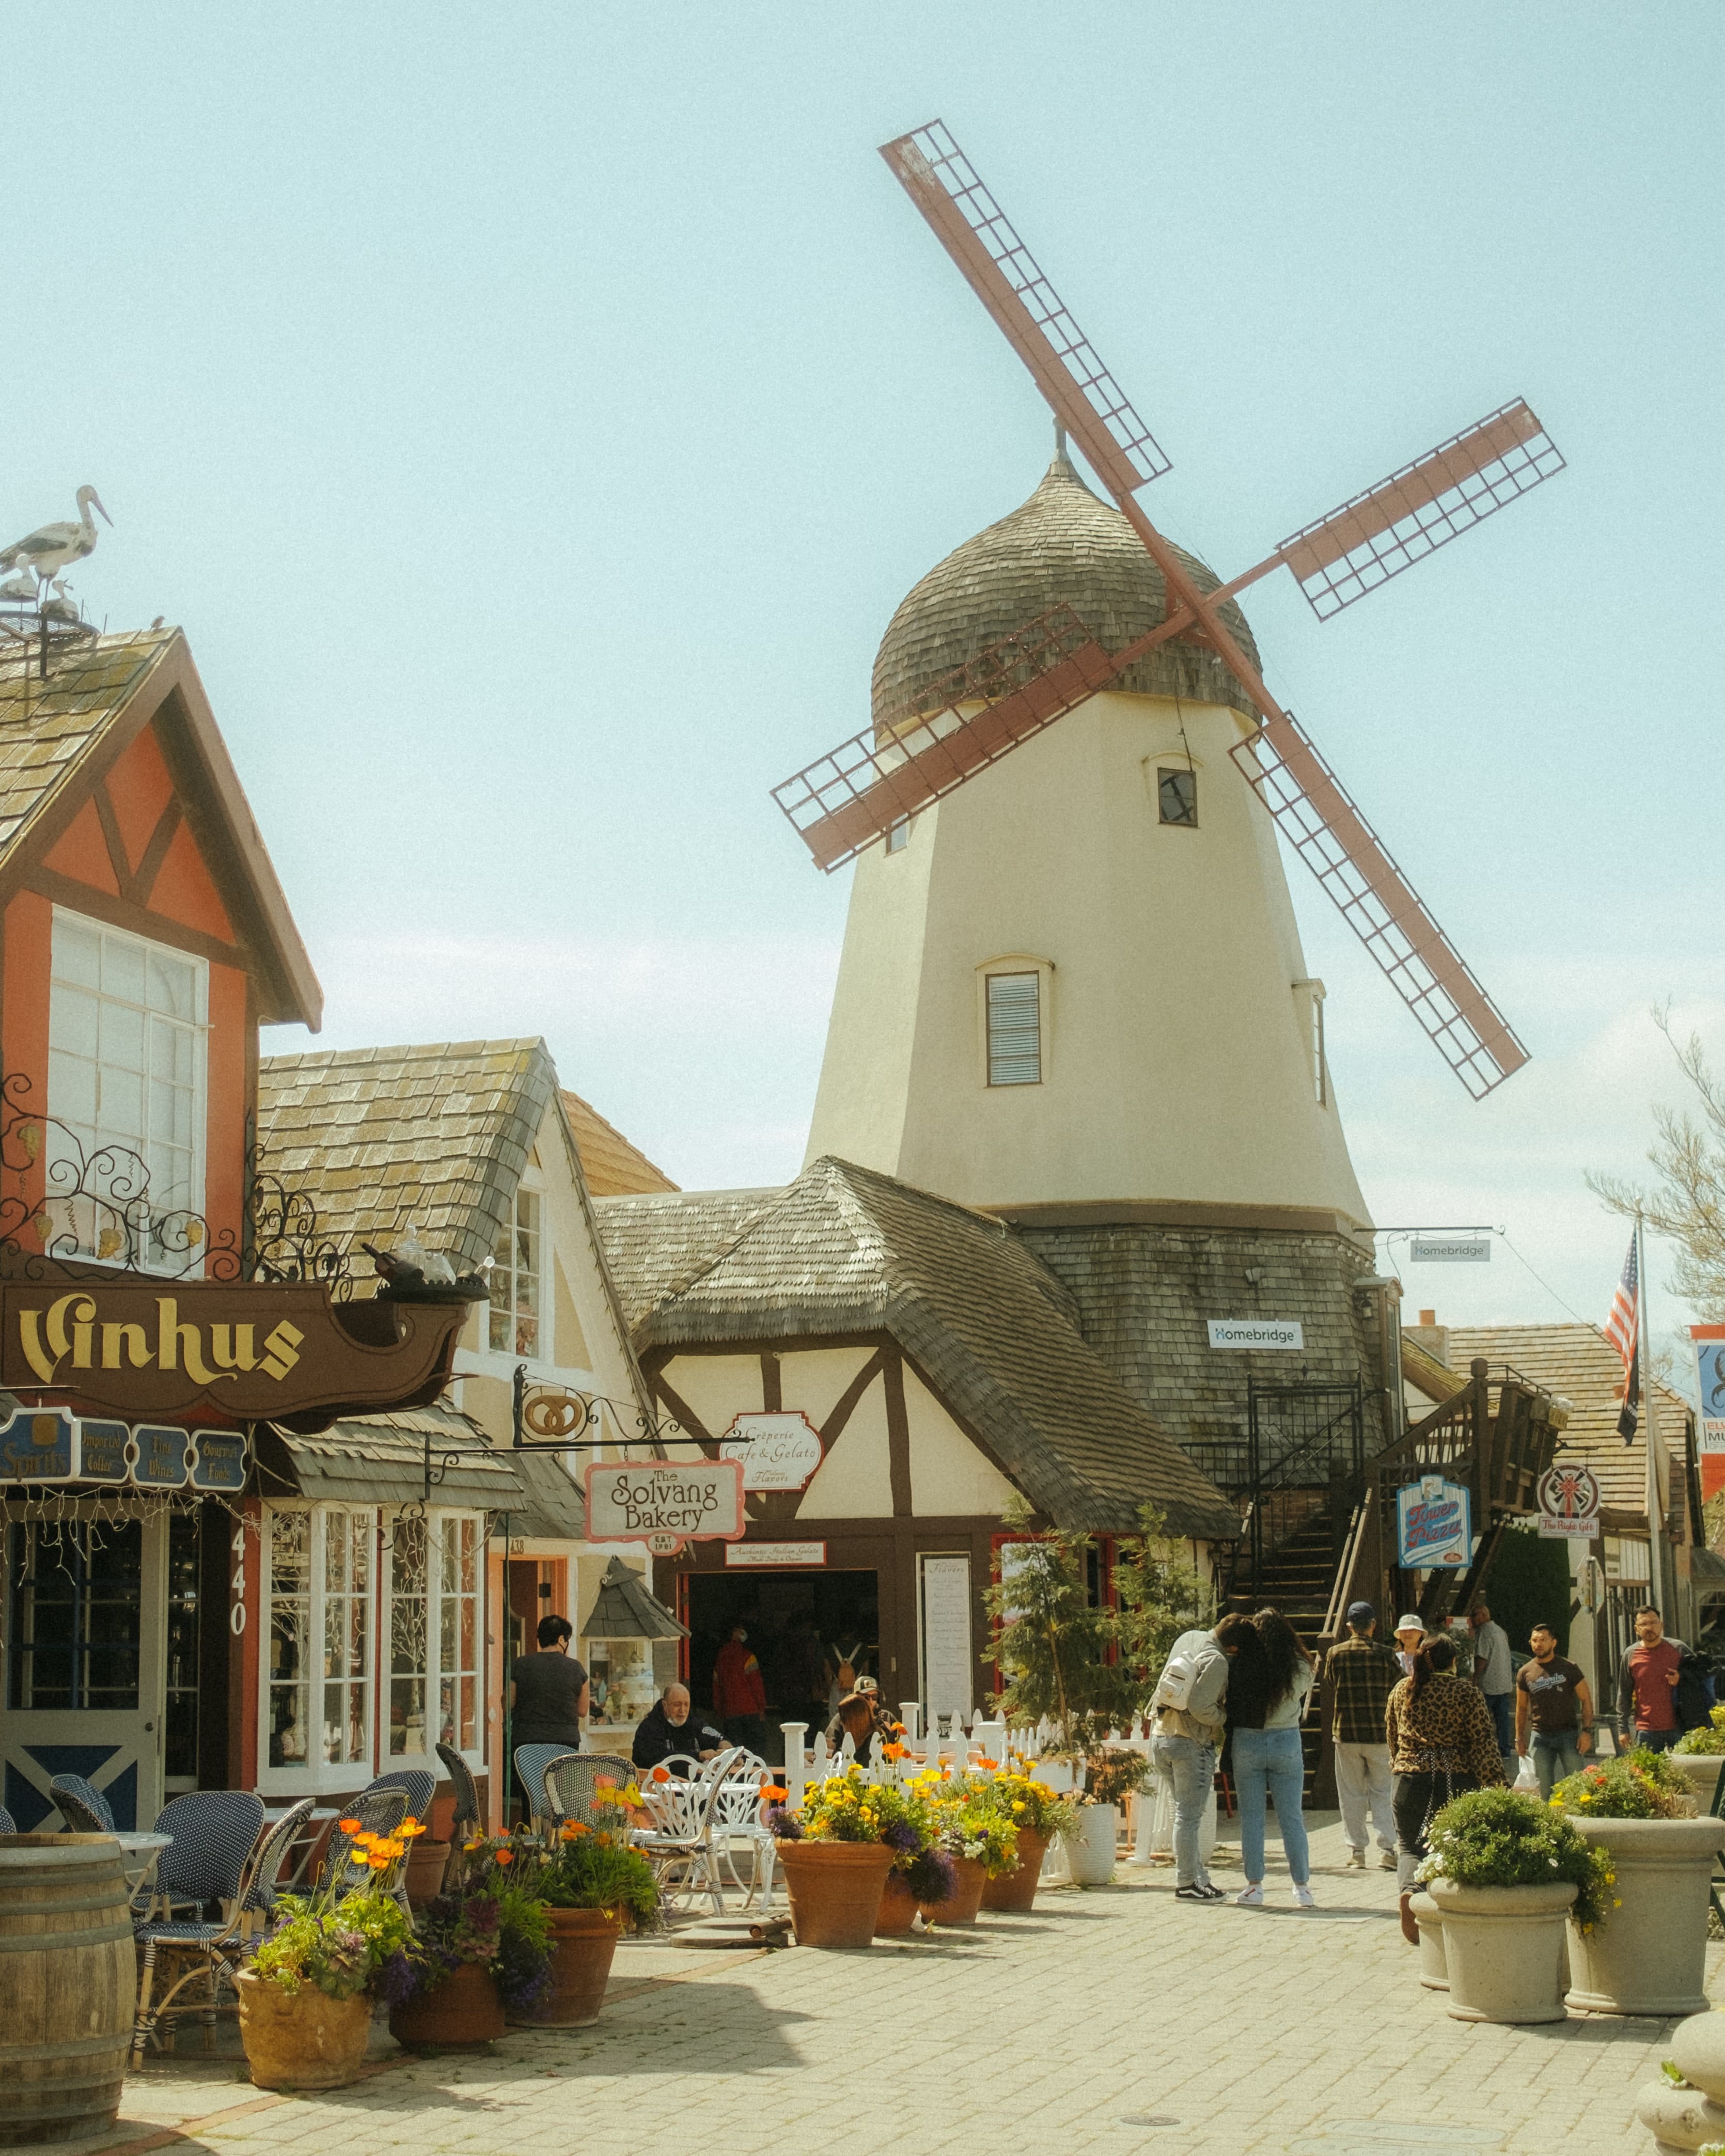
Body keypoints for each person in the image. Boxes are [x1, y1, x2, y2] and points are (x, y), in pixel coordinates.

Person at [1386, 1632, 1506, 1941]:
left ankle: (1409, 1892)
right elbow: (1483, 1743)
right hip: (1454, 1778)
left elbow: (1391, 1733)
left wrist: (1399, 1765)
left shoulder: (1402, 1689)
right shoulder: (1465, 1692)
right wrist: (1497, 1785)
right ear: (1454, 1661)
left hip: (1408, 1779)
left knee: (1409, 1847)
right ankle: (1444, 1911)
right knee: (1448, 1845)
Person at [1150, 1611, 1252, 1903]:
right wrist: (1223, 1717)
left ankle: (1199, 1879)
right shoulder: (1218, 1660)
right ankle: (1186, 1884)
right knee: (1189, 1817)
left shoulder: (1190, 1638)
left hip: (1162, 1737)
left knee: (1183, 1816)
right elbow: (1199, 1706)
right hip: (1190, 1742)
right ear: (1234, 1647)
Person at [1230, 1608, 1317, 1909]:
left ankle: (1255, 1886)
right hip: (1287, 1739)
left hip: (1248, 1739)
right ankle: (1302, 1887)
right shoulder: (1299, 1665)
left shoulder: (1242, 1663)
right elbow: (1301, 1694)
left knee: (1252, 1818)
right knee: (1292, 1817)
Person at [1322, 1600, 1401, 1871]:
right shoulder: (1387, 1654)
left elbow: (1331, 1682)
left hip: (1346, 1732)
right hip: (1380, 1734)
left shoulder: (1335, 1653)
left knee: (1352, 1794)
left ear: (1349, 1626)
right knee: (1383, 1791)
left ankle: (1357, 1851)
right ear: (1374, 1625)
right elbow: (1399, 1686)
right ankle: (1388, 1850)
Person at [509, 1614, 589, 1813]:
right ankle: (558, 1839)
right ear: (562, 1639)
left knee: (531, 1796)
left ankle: (532, 1837)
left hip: (527, 1743)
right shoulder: (576, 1669)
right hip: (564, 1743)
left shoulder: (521, 1665)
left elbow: (509, 1703)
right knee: (561, 1799)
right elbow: (582, 1710)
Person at [1513, 1622, 1593, 1797]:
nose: (1538, 1644)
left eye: (1543, 1640)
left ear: (1553, 1643)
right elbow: (1521, 1708)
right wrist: (1519, 1738)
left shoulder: (1569, 1668)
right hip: (1540, 1736)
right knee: (1543, 1788)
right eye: (1535, 1640)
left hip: (1568, 1735)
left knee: (1578, 1785)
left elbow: (1586, 1700)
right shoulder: (1525, 1672)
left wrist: (1587, 1731)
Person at [1616, 1605, 1687, 1752]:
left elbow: (1701, 1678)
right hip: (1647, 1729)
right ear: (1636, 1629)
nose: (1649, 1627)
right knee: (1646, 1773)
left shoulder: (1679, 1649)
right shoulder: (1630, 1655)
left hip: (1680, 1725)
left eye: (1654, 1623)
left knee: (1686, 1773)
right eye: (1644, 1624)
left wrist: (1682, 1678)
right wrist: (1622, 1729)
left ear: (1661, 1625)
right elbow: (1624, 1693)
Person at [632, 1682, 726, 1774]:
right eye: (677, 1705)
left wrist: (726, 1749)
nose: (682, 1710)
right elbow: (662, 1760)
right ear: (665, 1705)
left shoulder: (694, 1723)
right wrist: (699, 1756)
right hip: (657, 1786)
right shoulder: (649, 1728)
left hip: (692, 1786)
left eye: (686, 1705)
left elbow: (716, 1738)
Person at [1469, 1601, 1516, 1771]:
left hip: (1488, 1683)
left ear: (1482, 1616)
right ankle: (1505, 1750)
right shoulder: (1500, 1631)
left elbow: (1482, 1658)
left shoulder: (1485, 1632)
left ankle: (1482, 1750)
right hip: (1503, 1683)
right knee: (1502, 1719)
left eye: (1474, 1616)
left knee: (1481, 1718)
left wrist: (1475, 1679)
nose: (1472, 1620)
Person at [712, 1620, 770, 1756]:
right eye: (740, 1630)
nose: (743, 1633)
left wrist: (719, 1710)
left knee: (734, 1754)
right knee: (755, 1753)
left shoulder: (720, 1658)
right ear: (733, 1633)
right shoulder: (748, 1656)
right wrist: (761, 1708)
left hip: (730, 1713)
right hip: (751, 1711)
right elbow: (757, 1685)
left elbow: (716, 1688)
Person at [825, 1676, 896, 1759]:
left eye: (874, 1696)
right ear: (856, 1697)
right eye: (866, 1697)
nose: (870, 1700)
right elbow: (828, 1748)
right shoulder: (843, 1716)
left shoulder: (887, 1717)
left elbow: (900, 1745)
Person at [1392, 1613, 1426, 1678]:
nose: (1407, 1634)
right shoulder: (1395, 1657)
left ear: (1420, 1633)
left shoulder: (1427, 1657)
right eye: (1404, 1631)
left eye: (1412, 1630)